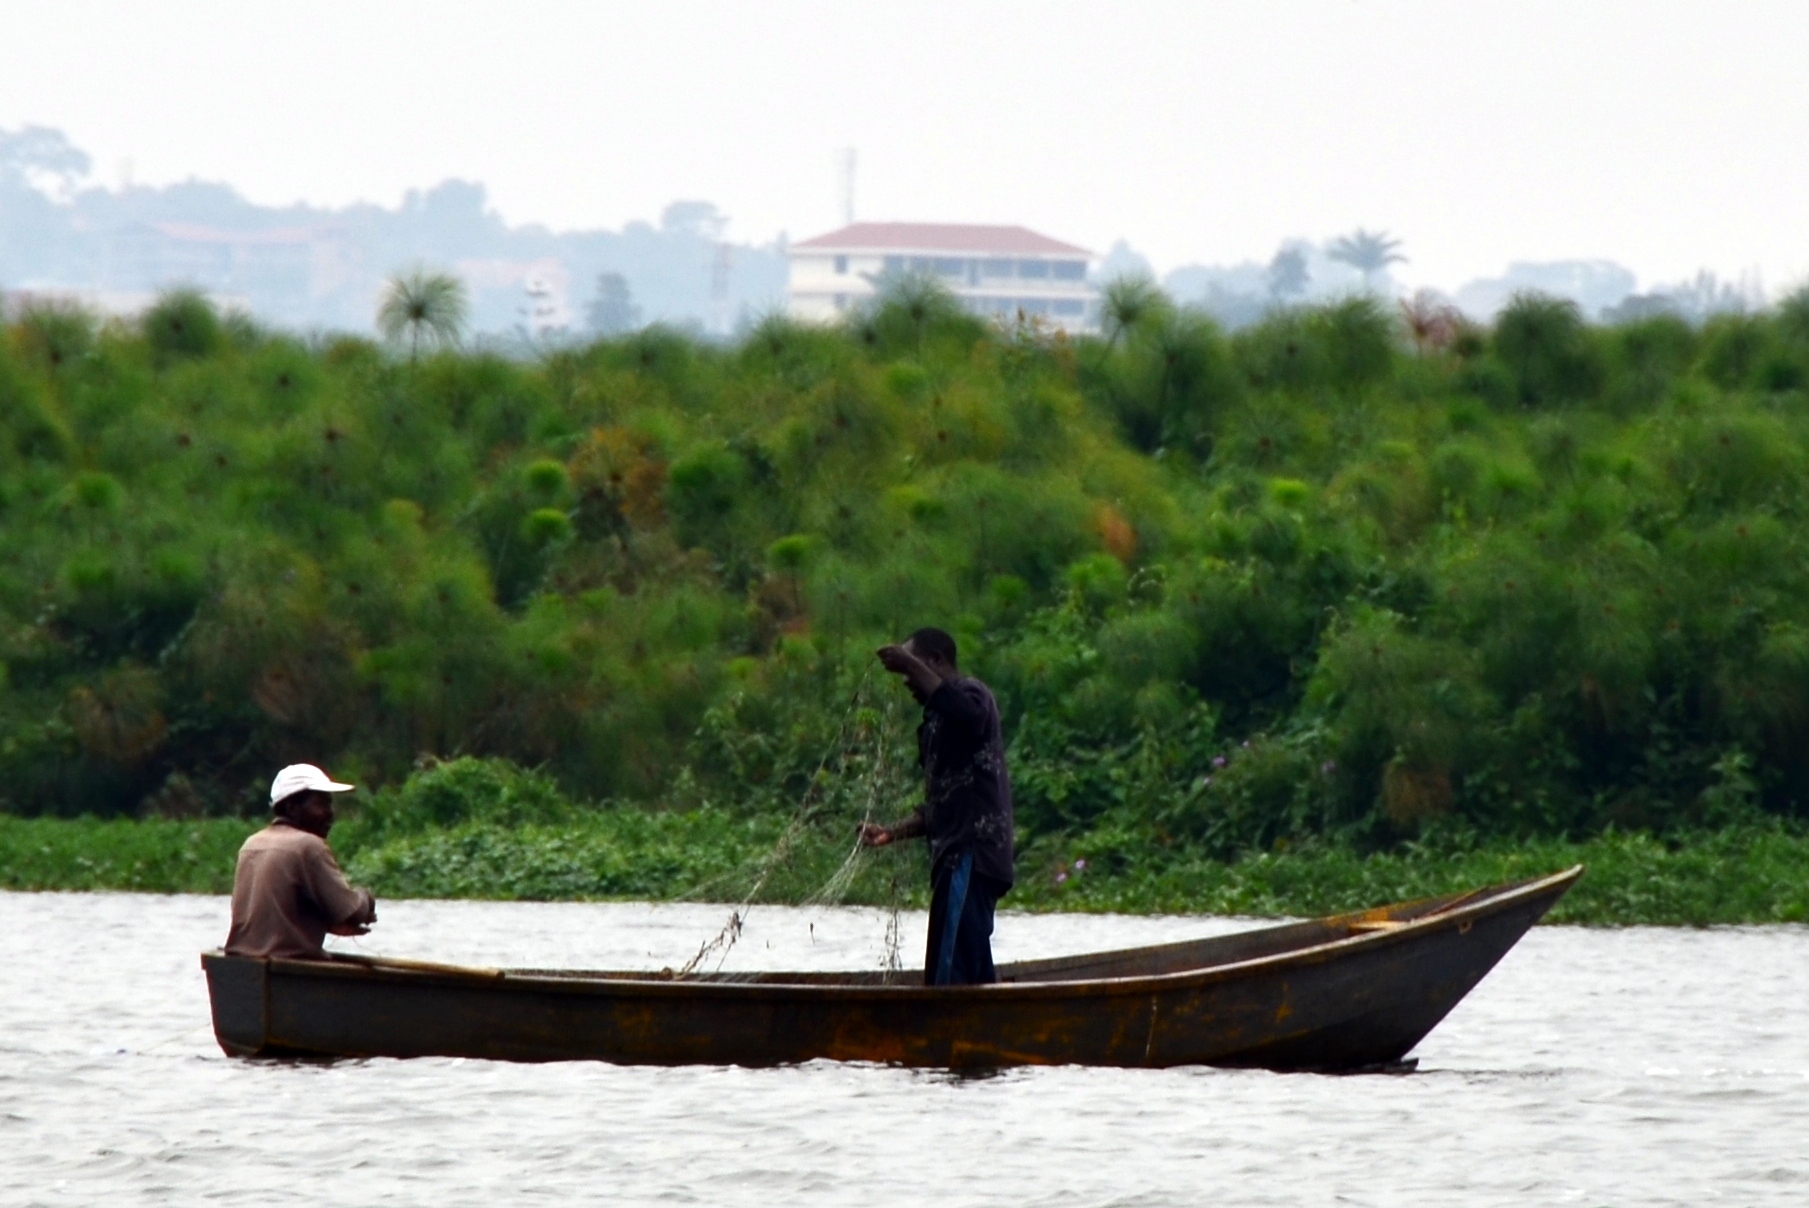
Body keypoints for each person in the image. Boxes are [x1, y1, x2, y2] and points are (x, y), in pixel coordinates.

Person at [859, 627, 1014, 985]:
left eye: (914, 668)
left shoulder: (972, 694)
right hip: (955, 859)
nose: (907, 680)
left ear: (937, 661)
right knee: (969, 969)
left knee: (948, 974)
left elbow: (970, 715)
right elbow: (943, 804)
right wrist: (891, 833)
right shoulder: (936, 724)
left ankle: (945, 1022)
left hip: (972, 855)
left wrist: (908, 663)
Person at [224, 763, 377, 960]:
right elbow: (352, 912)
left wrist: (327, 924)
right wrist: (366, 899)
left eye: (329, 804)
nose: (330, 813)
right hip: (287, 963)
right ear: (292, 808)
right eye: (320, 804)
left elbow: (278, 915)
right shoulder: (308, 846)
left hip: (242, 960)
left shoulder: (251, 844)